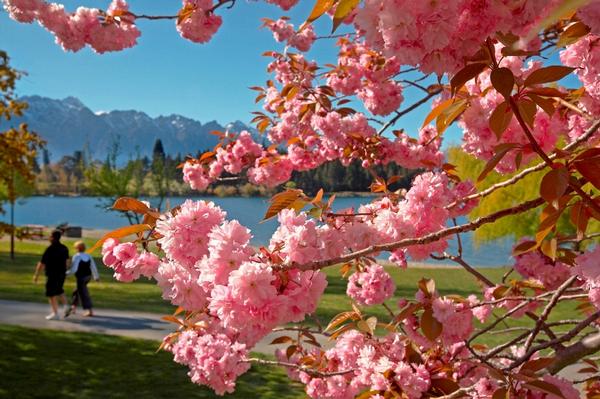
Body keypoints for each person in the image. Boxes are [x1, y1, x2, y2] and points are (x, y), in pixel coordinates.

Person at [33, 230, 69, 320]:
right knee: (59, 290)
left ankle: (55, 313)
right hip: (61, 274)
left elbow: (42, 263)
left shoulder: (50, 249)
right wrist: (65, 271)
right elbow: (67, 262)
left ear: (52, 238)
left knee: (51, 294)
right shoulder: (64, 248)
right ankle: (66, 307)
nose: (49, 238)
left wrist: (36, 275)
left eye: (50, 236)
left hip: (52, 274)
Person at [64, 241, 99, 317]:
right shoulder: (88, 256)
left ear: (77, 248)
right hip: (88, 277)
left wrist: (65, 274)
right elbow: (93, 267)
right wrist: (96, 277)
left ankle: (90, 311)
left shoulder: (77, 256)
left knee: (83, 294)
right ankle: (73, 307)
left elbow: (74, 269)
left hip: (81, 278)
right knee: (76, 291)